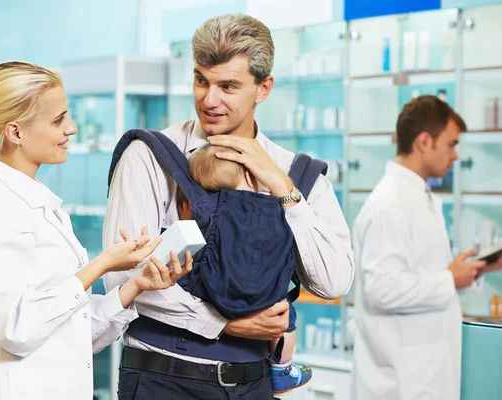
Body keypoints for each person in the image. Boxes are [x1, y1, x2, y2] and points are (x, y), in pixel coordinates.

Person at [104, 13, 354, 399]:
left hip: (253, 385)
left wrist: (282, 188)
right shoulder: (150, 157)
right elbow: (121, 280)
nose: (209, 99)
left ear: (263, 88)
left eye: (228, 86)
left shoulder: (296, 175)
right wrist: (223, 323)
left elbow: (333, 281)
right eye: (201, 80)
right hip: (163, 381)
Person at [0, 61, 192, 400]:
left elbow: (72, 333)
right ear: (16, 132)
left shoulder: (39, 206)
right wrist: (100, 265)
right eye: (58, 120)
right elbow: (16, 331)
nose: (71, 128)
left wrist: (136, 286)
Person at [350, 95, 502, 400]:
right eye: (452, 144)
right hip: (398, 384)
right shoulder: (390, 204)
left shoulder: (418, 196)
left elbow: (423, 276)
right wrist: (449, 278)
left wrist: (474, 270)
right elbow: (381, 288)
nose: (456, 156)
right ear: (425, 141)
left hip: (422, 377)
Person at [177, 144, 313, 395]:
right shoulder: (273, 208)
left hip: (213, 295)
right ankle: (282, 368)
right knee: (286, 318)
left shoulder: (204, 208)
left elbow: (189, 240)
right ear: (250, 176)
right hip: (266, 297)